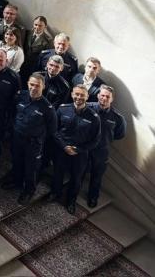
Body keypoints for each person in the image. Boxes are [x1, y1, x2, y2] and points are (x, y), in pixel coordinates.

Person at [1, 73, 56, 206]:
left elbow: (52, 130)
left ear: (43, 86)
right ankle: (17, 181)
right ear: (28, 84)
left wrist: (38, 137)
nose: (34, 88)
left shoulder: (48, 108)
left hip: (33, 143)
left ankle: (29, 191)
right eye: (32, 84)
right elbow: (13, 112)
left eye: (37, 85)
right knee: (17, 161)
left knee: (31, 169)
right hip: (17, 138)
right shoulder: (21, 96)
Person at [49, 85, 100, 214]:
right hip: (61, 149)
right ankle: (56, 193)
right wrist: (64, 146)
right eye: (76, 94)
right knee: (57, 173)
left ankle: (71, 201)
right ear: (72, 94)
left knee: (76, 179)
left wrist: (77, 149)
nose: (79, 97)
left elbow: (95, 140)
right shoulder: (62, 109)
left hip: (80, 153)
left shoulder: (94, 117)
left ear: (87, 97)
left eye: (82, 95)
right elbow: (55, 130)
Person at [86, 85, 126, 208]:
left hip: (101, 151)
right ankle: (72, 194)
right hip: (85, 147)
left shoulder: (118, 118)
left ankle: (93, 198)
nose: (104, 98)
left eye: (107, 96)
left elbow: (119, 135)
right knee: (78, 173)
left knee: (97, 176)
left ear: (112, 99)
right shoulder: (87, 108)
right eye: (102, 95)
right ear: (98, 96)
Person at [22, 15, 51, 83]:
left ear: (45, 27)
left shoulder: (48, 40)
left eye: (40, 25)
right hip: (23, 63)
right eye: (35, 24)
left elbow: (45, 57)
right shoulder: (27, 33)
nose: (37, 27)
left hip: (34, 67)